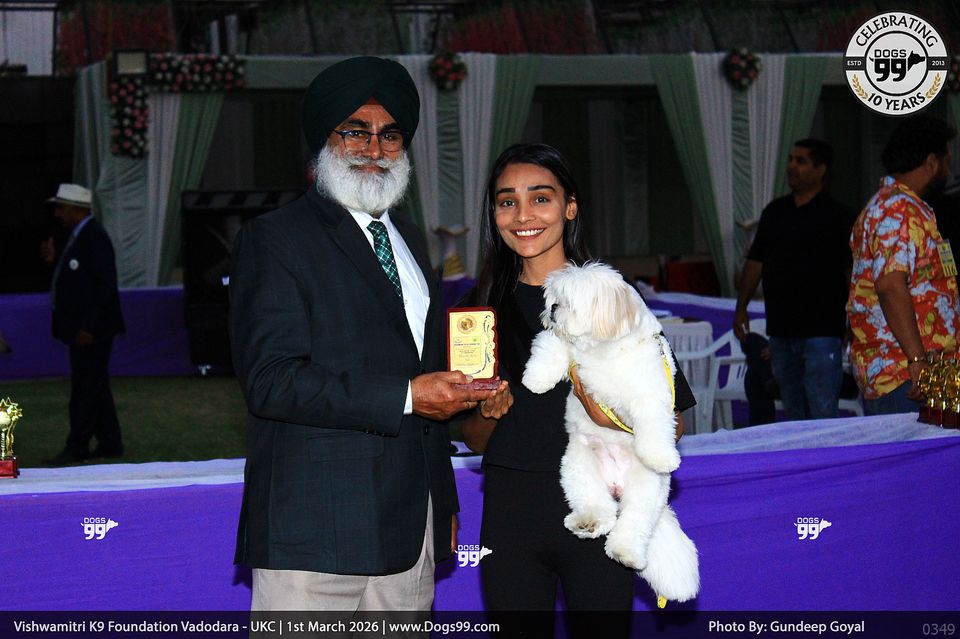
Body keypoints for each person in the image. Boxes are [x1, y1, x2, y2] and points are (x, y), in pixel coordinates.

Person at [228, 56, 495, 612]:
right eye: (355, 131)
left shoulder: (411, 240)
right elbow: (272, 381)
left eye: (390, 135)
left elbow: (421, 370)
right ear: (324, 141)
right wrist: (407, 396)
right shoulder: (277, 238)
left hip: (410, 530)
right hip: (314, 534)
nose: (374, 149)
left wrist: (441, 503)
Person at [460, 143, 695, 635]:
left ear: (570, 207)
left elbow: (673, 422)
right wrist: (489, 411)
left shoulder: (615, 297)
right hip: (513, 515)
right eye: (507, 201)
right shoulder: (476, 311)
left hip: (600, 509)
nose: (523, 215)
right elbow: (475, 441)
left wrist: (613, 420)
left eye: (540, 198)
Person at [733, 139, 857, 420]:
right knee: (793, 412)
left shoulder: (838, 215)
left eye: (801, 161)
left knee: (822, 410)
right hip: (781, 331)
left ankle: (825, 451)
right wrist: (741, 307)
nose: (791, 166)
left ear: (821, 169)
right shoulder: (775, 212)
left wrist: (854, 321)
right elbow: (755, 262)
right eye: (790, 159)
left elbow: (852, 272)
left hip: (823, 331)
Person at [848, 115, 958, 415]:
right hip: (904, 374)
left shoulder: (904, 207)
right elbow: (890, 285)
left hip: (924, 370)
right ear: (931, 162)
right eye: (947, 162)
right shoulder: (897, 210)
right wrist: (917, 360)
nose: (948, 171)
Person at [40, 183, 125, 466]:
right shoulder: (79, 237)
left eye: (61, 208)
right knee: (95, 384)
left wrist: (89, 326)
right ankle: (110, 442)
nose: (57, 213)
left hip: (92, 330)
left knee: (85, 387)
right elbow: (77, 282)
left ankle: (77, 445)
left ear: (76, 210)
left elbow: (105, 287)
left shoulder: (93, 237)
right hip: (86, 328)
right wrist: (53, 262)